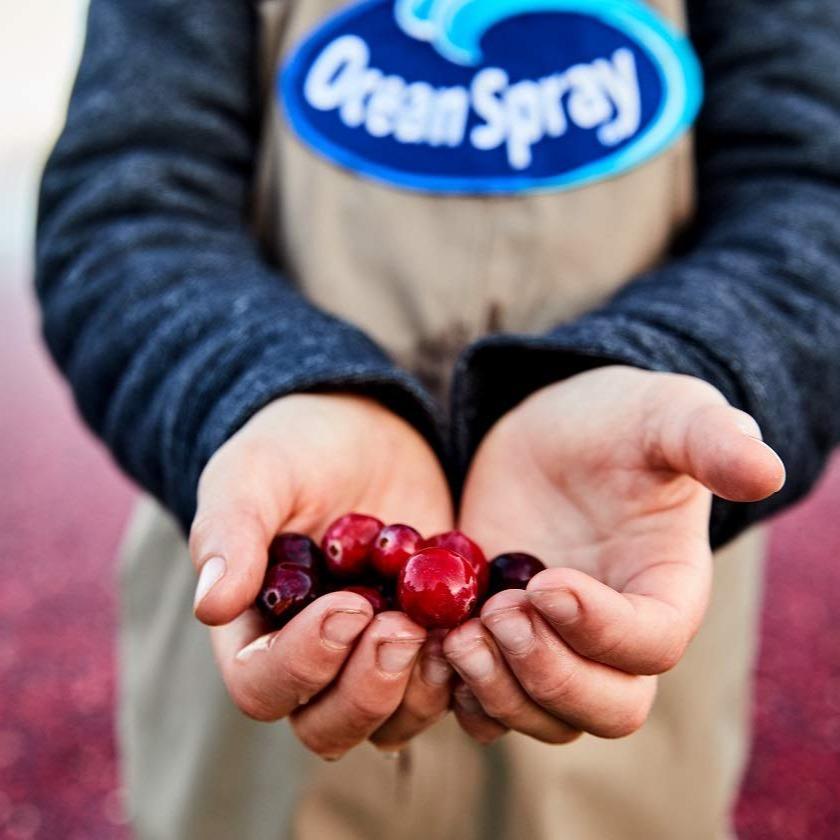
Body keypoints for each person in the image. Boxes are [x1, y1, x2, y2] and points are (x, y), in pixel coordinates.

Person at [35, 0, 840, 837]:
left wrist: (683, 365)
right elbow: (125, 205)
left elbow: (813, 198)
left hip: (615, 617)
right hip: (256, 661)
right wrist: (250, 384)